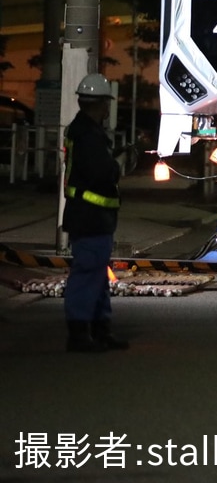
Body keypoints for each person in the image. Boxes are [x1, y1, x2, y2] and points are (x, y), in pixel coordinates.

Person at [61, 73, 129, 352]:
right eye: (106, 103)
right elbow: (102, 172)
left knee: (98, 273)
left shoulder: (85, 131)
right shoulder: (89, 135)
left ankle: (100, 329)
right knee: (88, 271)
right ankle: (79, 333)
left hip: (90, 217)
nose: (107, 108)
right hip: (89, 217)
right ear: (100, 104)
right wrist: (120, 163)